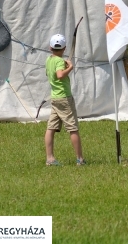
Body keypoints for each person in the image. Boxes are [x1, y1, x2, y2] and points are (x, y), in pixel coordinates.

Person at [44, 33, 85, 166]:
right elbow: (60, 75)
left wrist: (63, 67)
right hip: (64, 98)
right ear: (64, 48)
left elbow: (52, 74)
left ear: (50, 48)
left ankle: (50, 158)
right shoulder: (59, 61)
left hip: (55, 98)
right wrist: (70, 68)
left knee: (51, 127)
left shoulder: (49, 60)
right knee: (73, 128)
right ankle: (80, 159)